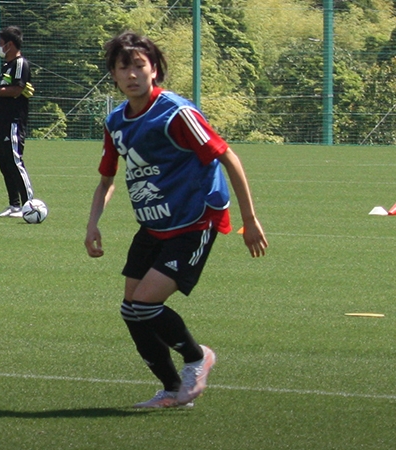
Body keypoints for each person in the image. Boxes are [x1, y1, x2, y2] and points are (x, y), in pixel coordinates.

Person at [84, 31, 268, 409]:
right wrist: (92, 223)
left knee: (147, 304)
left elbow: (228, 157)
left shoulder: (177, 113)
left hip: (195, 219)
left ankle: (198, 357)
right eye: (124, 67)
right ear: (114, 75)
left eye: (140, 65)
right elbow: (107, 179)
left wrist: (249, 220)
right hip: (153, 224)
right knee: (131, 310)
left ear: (155, 70)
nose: (133, 74)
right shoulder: (115, 122)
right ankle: (171, 390)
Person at [0, 25, 36, 218]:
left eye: (1, 43)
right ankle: (14, 205)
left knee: (15, 161)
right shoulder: (6, 65)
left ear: (10, 44)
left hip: (14, 120)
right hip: (1, 120)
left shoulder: (21, 64)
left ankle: (29, 204)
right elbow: (5, 91)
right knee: (4, 163)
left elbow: (16, 90)